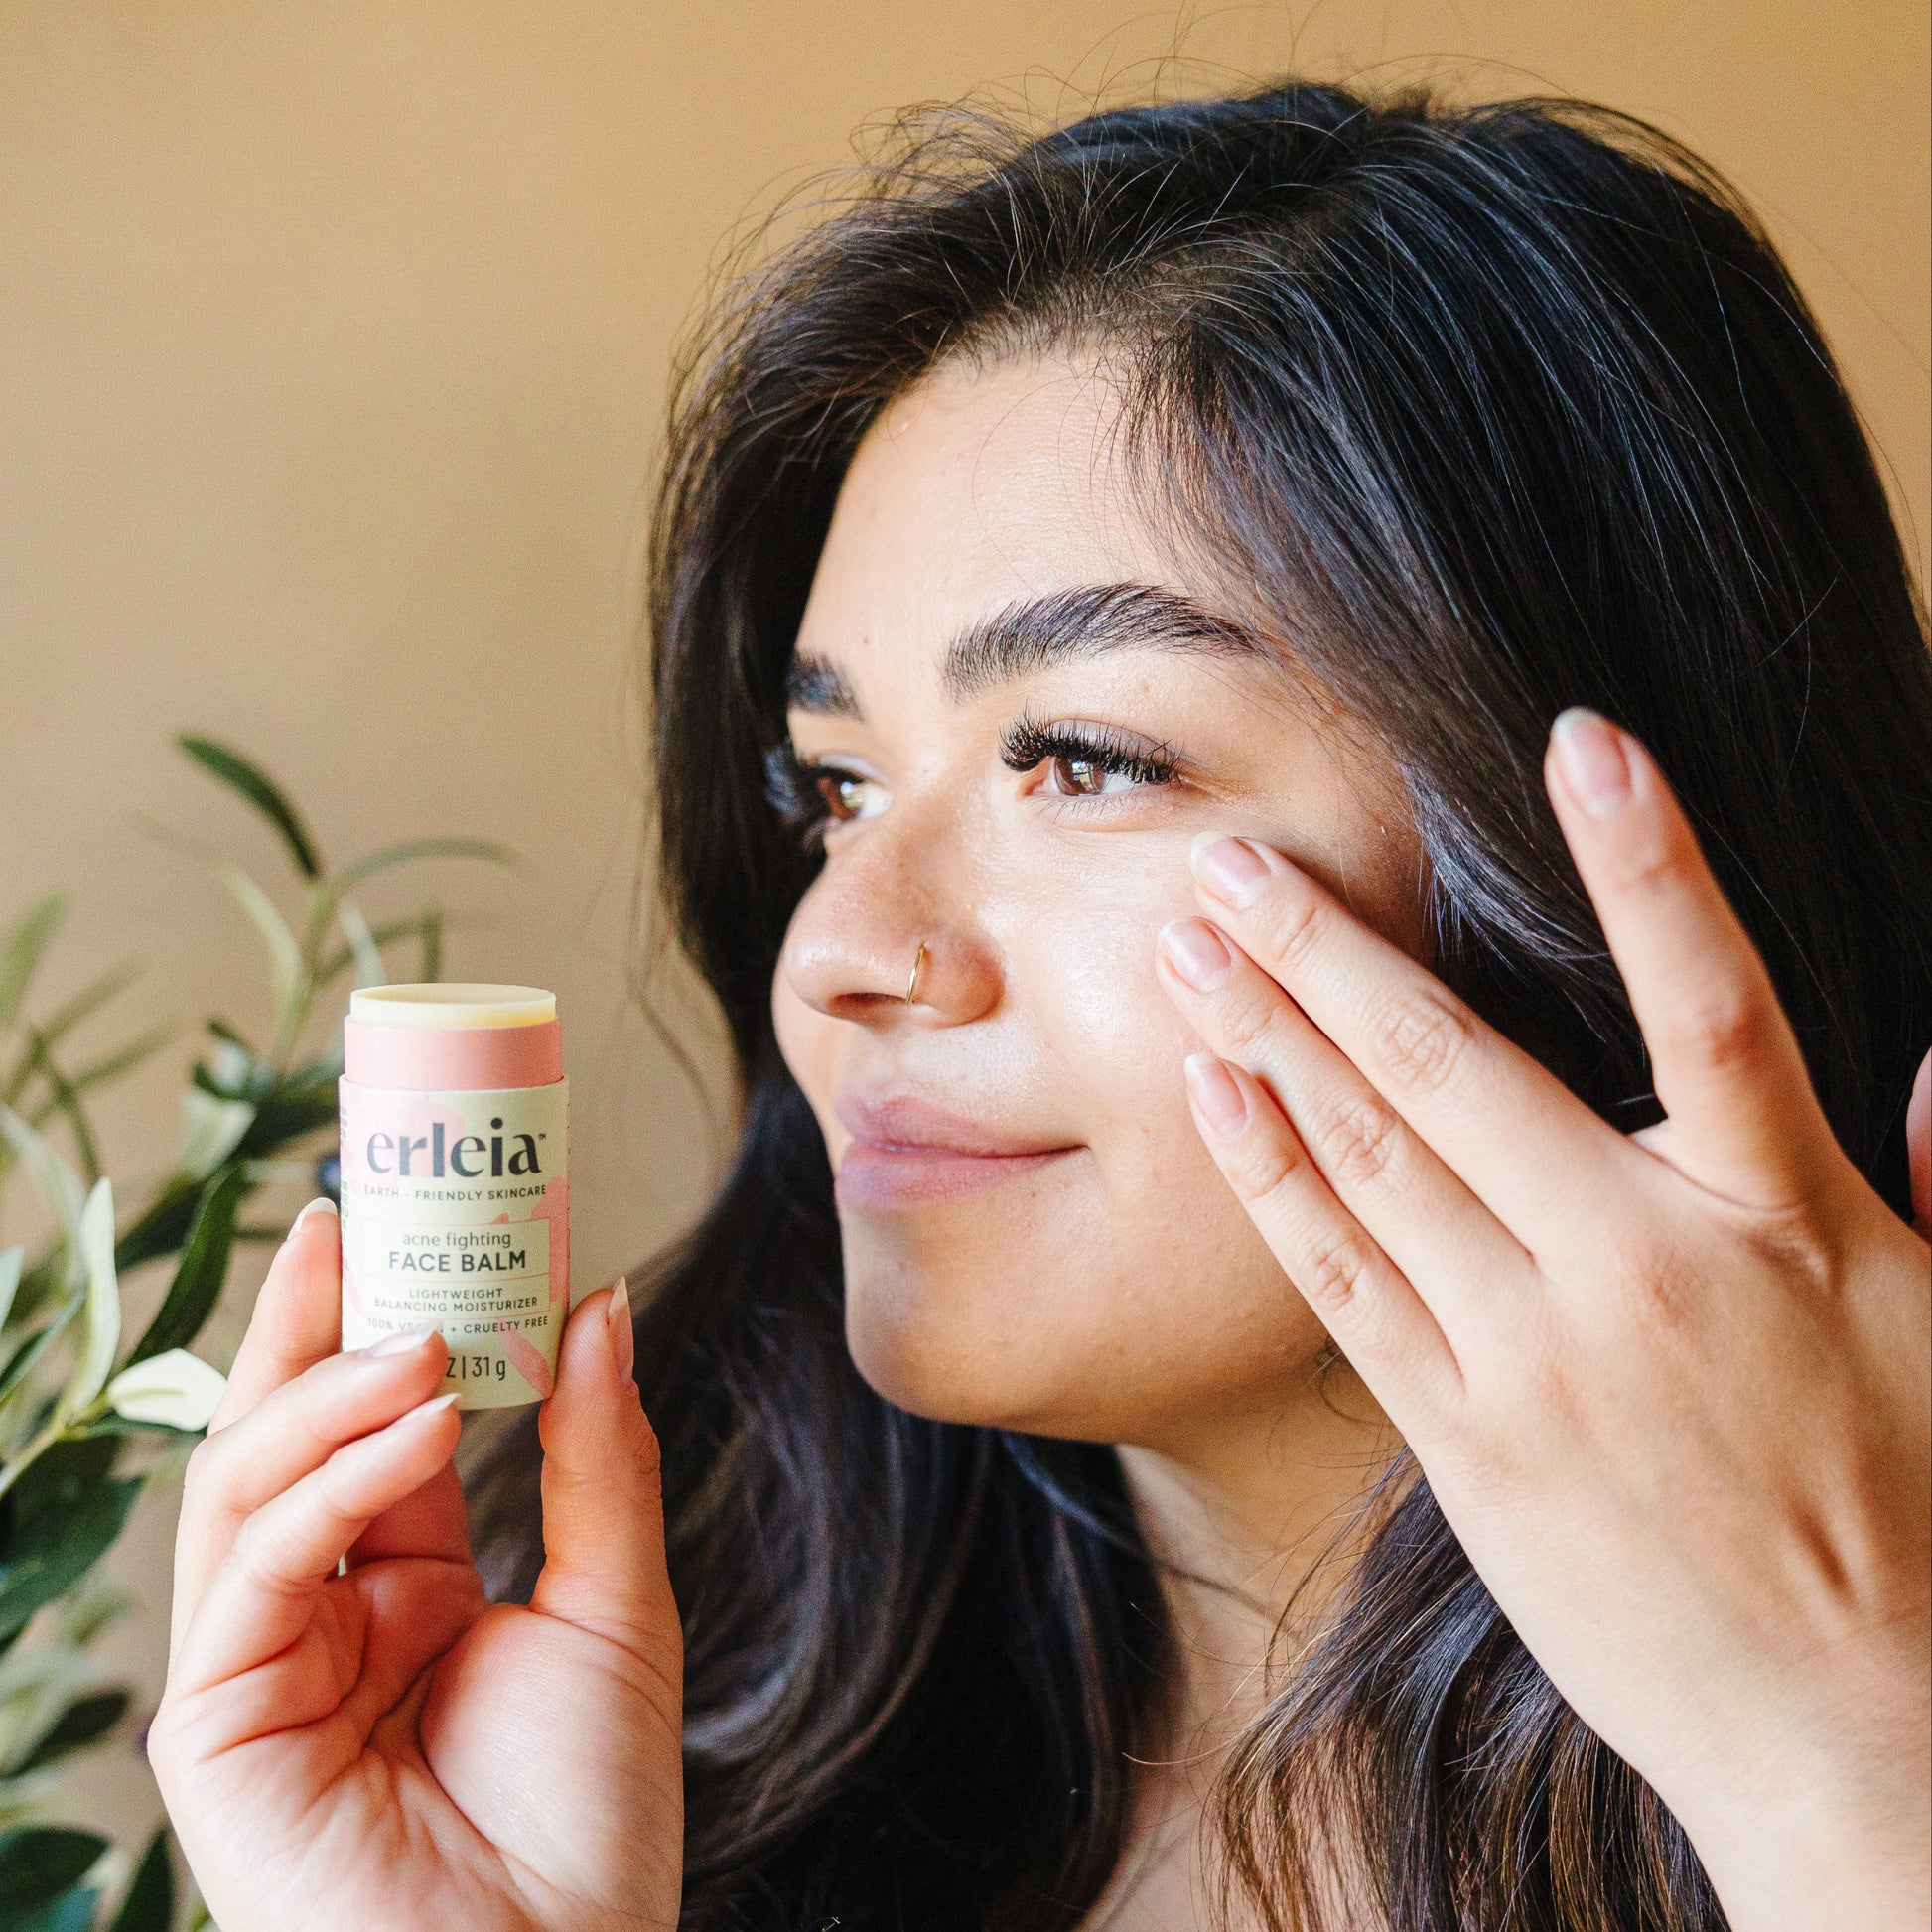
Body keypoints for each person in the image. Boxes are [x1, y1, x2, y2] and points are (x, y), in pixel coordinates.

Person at [148, 79, 1931, 1931]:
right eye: (830, 788)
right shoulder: (627, 1770)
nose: (841, 948)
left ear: (1588, 855)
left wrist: (1853, 1766)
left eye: (1081, 760)